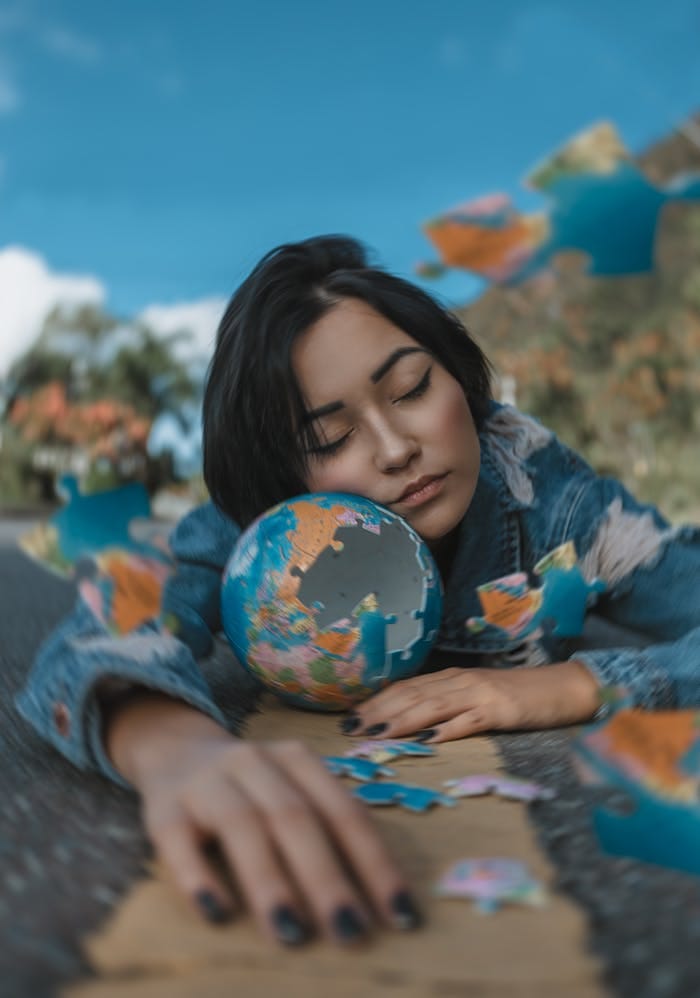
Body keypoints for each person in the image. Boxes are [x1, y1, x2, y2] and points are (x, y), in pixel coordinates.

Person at [16, 235, 700, 947]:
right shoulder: (259, 527)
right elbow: (103, 629)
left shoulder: (560, 508)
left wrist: (574, 684)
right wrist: (173, 750)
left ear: (459, 380)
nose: (396, 448)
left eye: (411, 390)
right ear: (284, 475)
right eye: (332, 437)